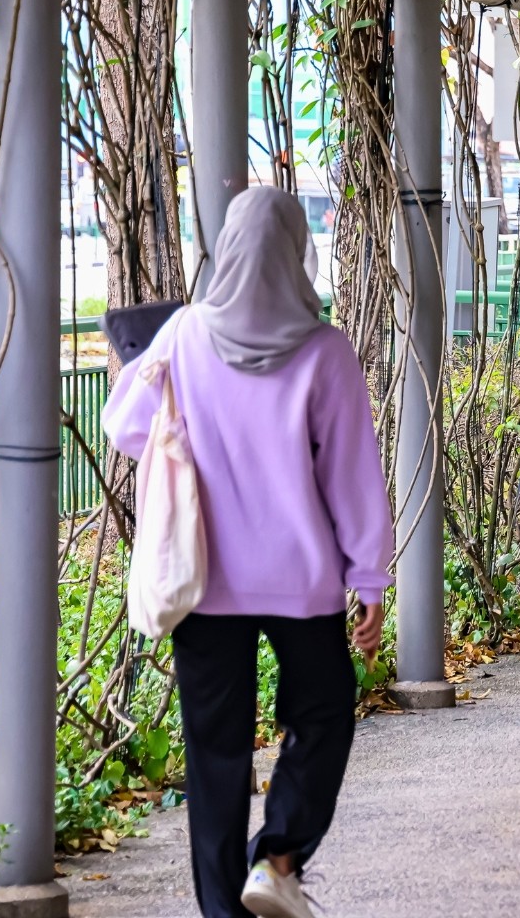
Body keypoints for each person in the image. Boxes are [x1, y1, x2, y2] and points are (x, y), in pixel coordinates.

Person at [103, 188, 393, 918]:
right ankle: (279, 857)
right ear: (297, 252)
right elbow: (352, 476)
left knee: (216, 752)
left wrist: (141, 368)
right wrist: (369, 578)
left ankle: (223, 910)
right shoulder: (325, 351)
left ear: (227, 249)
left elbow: (127, 430)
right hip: (303, 581)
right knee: (324, 714)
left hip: (204, 584)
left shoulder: (182, 336)